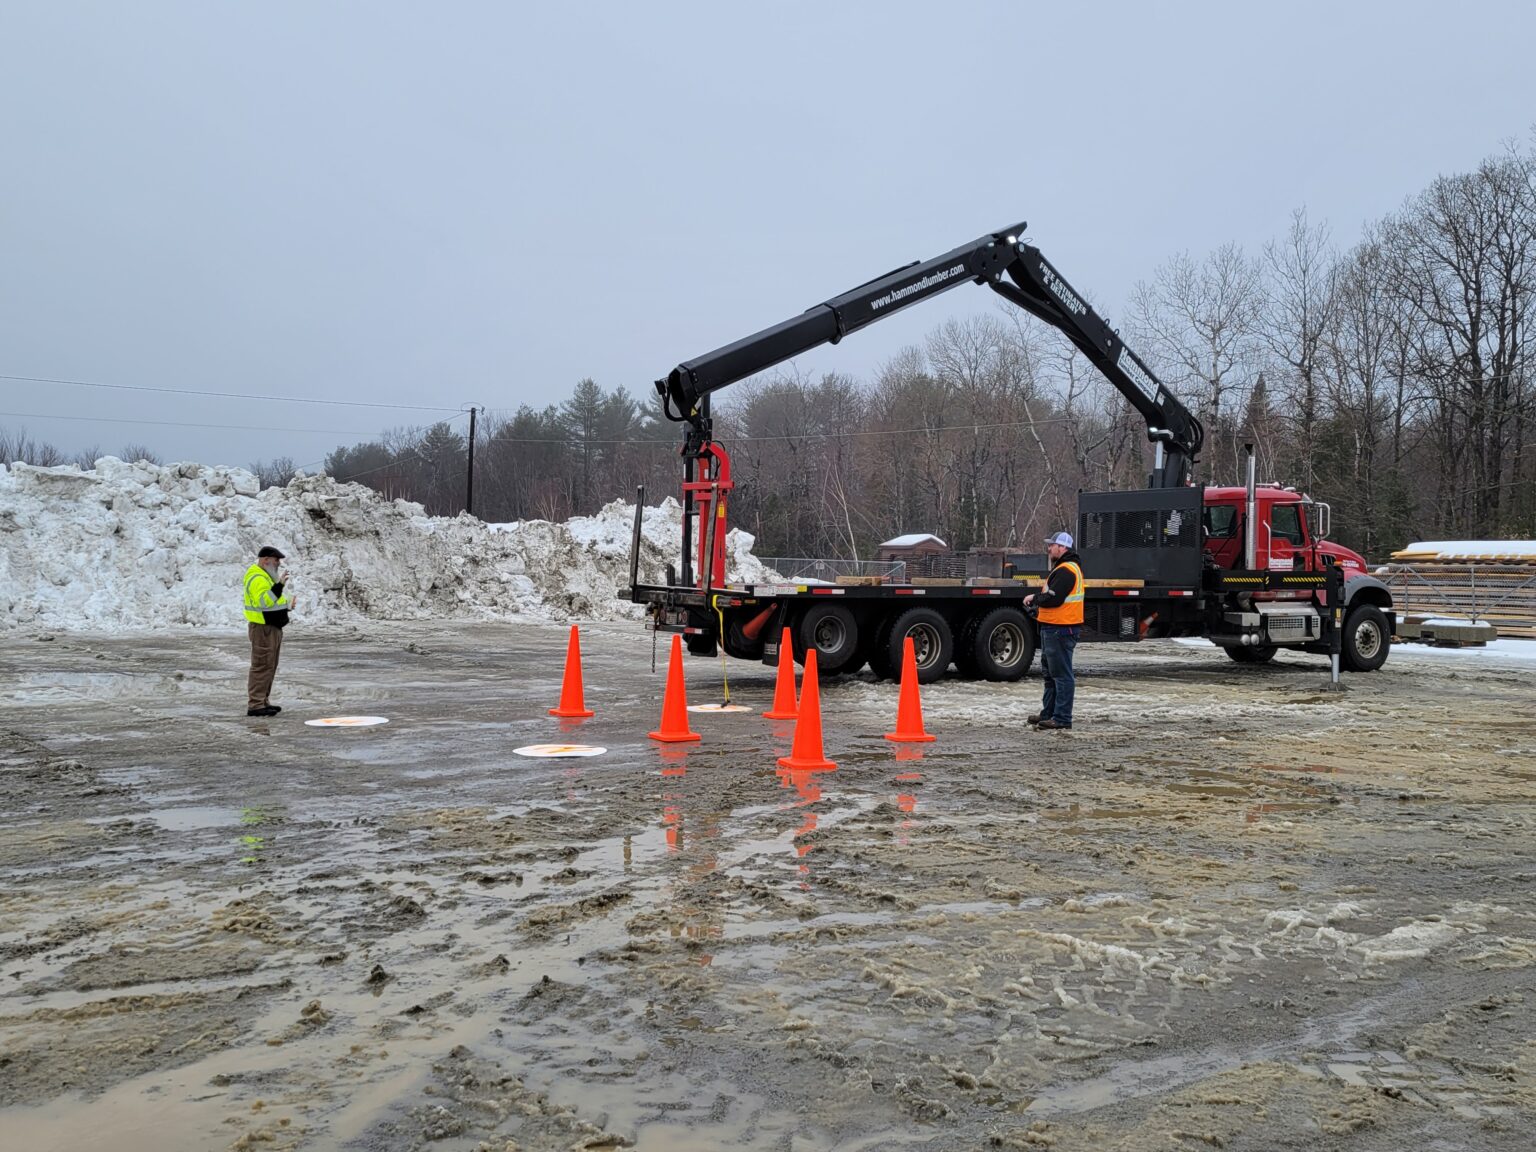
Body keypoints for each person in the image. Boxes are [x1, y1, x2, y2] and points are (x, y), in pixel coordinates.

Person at [1023, 531, 1083, 731]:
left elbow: (1054, 598)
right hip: (1055, 628)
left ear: (1063, 548)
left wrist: (1034, 598)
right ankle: (1049, 714)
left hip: (1061, 629)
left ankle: (1062, 718)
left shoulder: (1067, 570)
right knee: (1051, 674)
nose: (1049, 548)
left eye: (1052, 545)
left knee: (1061, 675)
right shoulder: (1064, 568)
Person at [243, 546, 293, 717]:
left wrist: (287, 606)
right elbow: (265, 602)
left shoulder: (266, 576)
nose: (278, 563)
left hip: (272, 628)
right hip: (263, 629)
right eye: (276, 560)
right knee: (262, 666)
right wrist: (279, 585)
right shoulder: (257, 577)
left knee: (270, 666)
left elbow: (274, 601)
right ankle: (255, 704)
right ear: (266, 560)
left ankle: (263, 701)